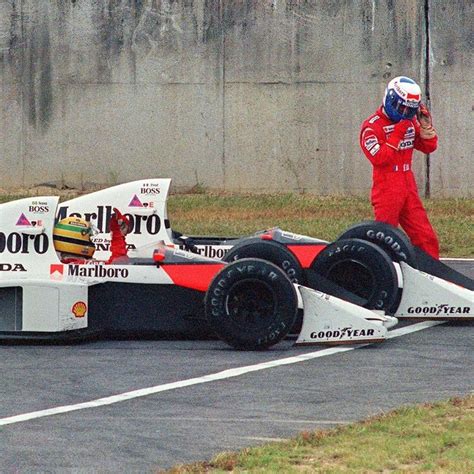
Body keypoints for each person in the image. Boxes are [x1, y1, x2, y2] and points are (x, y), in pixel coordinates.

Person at [359, 76, 440, 259]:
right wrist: (399, 130)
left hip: (408, 185)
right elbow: (380, 159)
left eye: (409, 110)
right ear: (390, 99)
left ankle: (434, 276)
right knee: (385, 238)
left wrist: (427, 128)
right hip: (387, 187)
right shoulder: (371, 127)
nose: (404, 112)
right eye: (401, 107)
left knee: (425, 236)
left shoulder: (411, 120)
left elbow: (428, 147)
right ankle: (382, 272)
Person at [53, 208, 130, 264]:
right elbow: (118, 263)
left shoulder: (71, 263)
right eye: (89, 238)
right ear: (76, 239)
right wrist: (116, 233)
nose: (91, 242)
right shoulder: (79, 265)